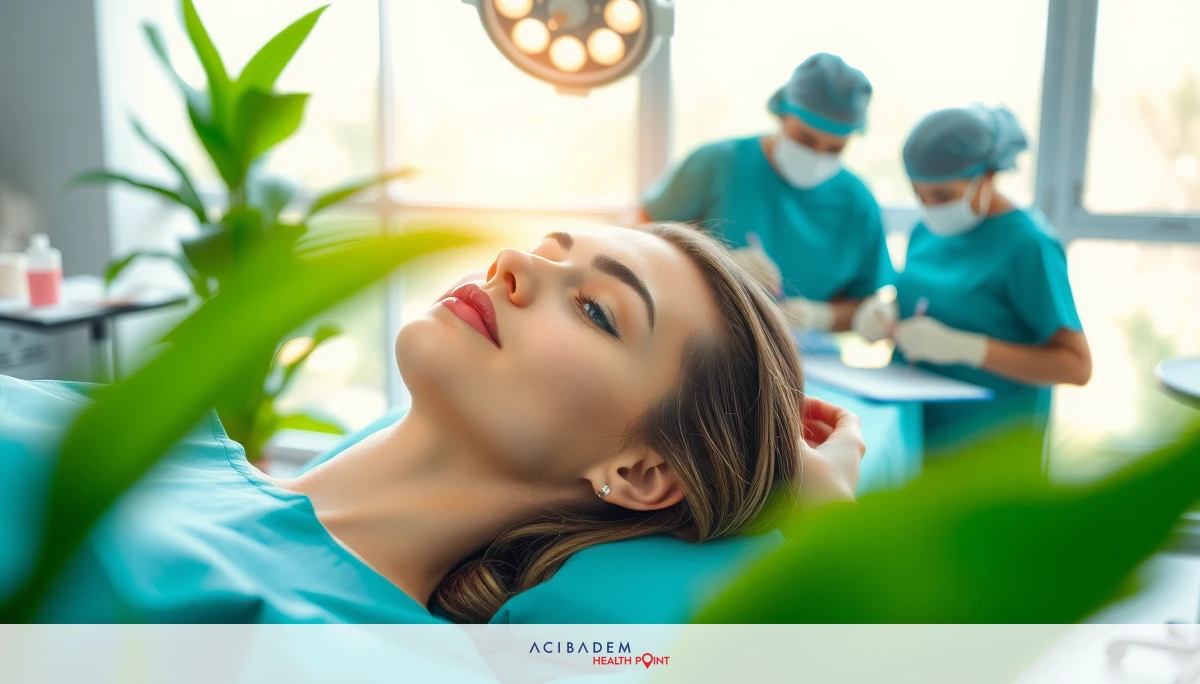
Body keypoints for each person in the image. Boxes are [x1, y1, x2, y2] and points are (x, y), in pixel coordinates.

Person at [0, 223, 866, 624]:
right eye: (547, 250)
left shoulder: (356, 649)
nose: (517, 264)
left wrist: (825, 520)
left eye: (598, 310)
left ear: (639, 473)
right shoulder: (150, 441)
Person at [852, 105, 1092, 454]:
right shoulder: (926, 231)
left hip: (987, 447)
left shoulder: (1029, 245)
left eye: (943, 195)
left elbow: (1076, 366)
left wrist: (970, 349)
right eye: (919, 195)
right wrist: (884, 312)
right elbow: (933, 301)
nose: (930, 206)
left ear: (988, 176)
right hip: (915, 429)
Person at [637, 53, 893, 333]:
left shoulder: (858, 204)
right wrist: (715, 270)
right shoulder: (718, 164)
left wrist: (821, 316)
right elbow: (637, 244)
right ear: (782, 113)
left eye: (834, 149)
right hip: (702, 341)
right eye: (805, 138)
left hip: (805, 359)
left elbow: (864, 304)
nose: (817, 155)